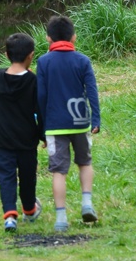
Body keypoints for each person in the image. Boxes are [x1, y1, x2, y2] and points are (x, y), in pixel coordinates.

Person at [36, 15, 100, 232]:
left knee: (58, 171)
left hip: (54, 124)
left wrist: (42, 129)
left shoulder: (43, 62)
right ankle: (87, 204)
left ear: (48, 38)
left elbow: (41, 96)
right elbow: (92, 91)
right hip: (81, 122)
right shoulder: (83, 60)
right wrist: (96, 119)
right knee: (85, 163)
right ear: (74, 37)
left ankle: (61, 219)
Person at [0, 32, 44, 232]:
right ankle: (29, 209)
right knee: (28, 176)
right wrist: (44, 135)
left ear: (6, 54)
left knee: (5, 176)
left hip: (2, 140)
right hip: (27, 140)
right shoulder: (33, 81)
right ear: (31, 56)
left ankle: (10, 215)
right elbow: (40, 110)